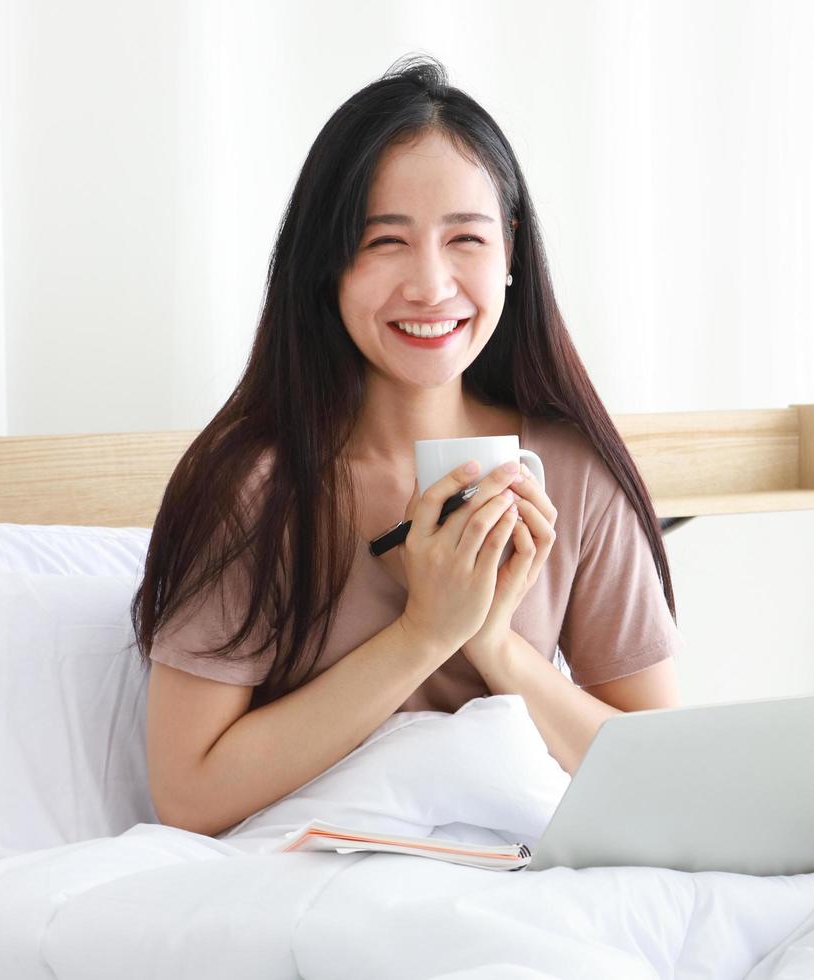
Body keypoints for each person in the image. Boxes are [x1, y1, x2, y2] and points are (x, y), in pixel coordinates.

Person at [133, 54, 683, 838]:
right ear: (327, 264)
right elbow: (186, 797)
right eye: (386, 242)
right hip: (315, 888)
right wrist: (423, 632)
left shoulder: (572, 469)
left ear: (511, 252)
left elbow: (659, 775)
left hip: (527, 880)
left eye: (465, 238)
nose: (430, 285)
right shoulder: (256, 489)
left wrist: (493, 644)